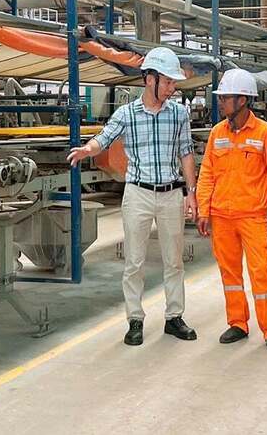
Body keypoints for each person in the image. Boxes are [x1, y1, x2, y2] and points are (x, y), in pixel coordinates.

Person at [67, 47, 199, 346]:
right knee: (134, 262)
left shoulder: (179, 113)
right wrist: (87, 149)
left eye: (173, 82)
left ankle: (174, 317)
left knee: (174, 260)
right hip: (138, 194)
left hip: (170, 194)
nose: (172, 88)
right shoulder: (126, 114)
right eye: (168, 81)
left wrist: (191, 193)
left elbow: (186, 153)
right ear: (150, 79)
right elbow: (104, 138)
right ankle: (135, 320)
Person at [195, 69, 267, 352]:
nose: (220, 102)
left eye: (225, 98)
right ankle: (237, 322)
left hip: (252, 216)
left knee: (261, 272)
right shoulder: (217, 133)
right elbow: (207, 174)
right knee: (230, 274)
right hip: (221, 217)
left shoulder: (265, 133)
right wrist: (203, 210)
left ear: (242, 100)